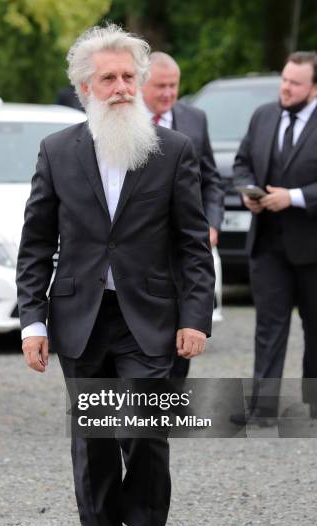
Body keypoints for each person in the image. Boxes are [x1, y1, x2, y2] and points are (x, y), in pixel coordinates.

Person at [16, 24, 215, 526]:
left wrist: (195, 318)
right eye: (110, 77)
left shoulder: (174, 150)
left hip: (150, 319)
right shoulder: (56, 151)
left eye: (131, 76)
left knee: (145, 433)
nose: (124, 87)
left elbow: (191, 246)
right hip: (79, 320)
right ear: (86, 87)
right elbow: (36, 244)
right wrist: (33, 320)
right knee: (95, 443)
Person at [232, 51, 317, 426]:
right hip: (267, 243)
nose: (286, 87)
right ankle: (263, 409)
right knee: (268, 326)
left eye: (295, 83)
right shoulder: (263, 116)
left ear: (314, 87)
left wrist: (294, 197)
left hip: (312, 247)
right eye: (284, 79)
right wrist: (245, 193)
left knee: (315, 327)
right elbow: (242, 161)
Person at [142, 52, 224, 378]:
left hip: (186, 244)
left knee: (184, 329)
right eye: (160, 86)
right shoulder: (127, 121)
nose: (168, 93)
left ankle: (168, 407)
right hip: (144, 247)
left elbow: (212, 179)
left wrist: (212, 223)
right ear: (141, 85)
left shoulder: (195, 119)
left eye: (173, 86)